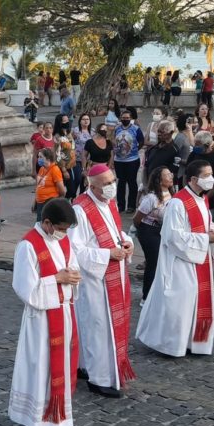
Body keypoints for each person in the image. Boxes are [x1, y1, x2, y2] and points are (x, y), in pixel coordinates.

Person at [10, 198, 82, 426]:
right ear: (47, 223)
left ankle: (53, 418)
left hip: (63, 312)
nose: (64, 234)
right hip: (41, 321)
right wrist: (58, 279)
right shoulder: (28, 246)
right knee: (42, 370)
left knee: (59, 369)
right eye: (61, 228)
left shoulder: (62, 240)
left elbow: (71, 266)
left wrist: (72, 276)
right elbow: (25, 289)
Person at [137, 160, 214, 355]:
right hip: (180, 263)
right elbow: (172, 237)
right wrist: (205, 238)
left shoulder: (202, 199)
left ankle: (193, 342)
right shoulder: (178, 202)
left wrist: (213, 234)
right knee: (180, 305)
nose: (211, 179)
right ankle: (170, 345)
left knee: (195, 302)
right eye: (207, 175)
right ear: (193, 179)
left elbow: (205, 223)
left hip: (199, 259)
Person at [70, 164, 136, 398]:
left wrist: (126, 243)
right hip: (94, 280)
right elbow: (75, 249)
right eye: (106, 184)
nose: (112, 186)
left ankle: (86, 366)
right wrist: (108, 254)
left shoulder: (110, 203)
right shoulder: (80, 209)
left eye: (113, 181)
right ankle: (99, 379)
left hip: (114, 274)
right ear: (92, 185)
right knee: (97, 326)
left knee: (104, 326)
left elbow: (116, 232)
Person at [132, 166, 173, 301]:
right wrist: (142, 232)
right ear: (160, 180)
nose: (171, 176)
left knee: (162, 262)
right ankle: (147, 297)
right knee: (153, 263)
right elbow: (137, 219)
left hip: (162, 231)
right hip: (148, 231)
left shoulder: (170, 193)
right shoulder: (151, 198)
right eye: (167, 175)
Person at [112, 109, 144, 213]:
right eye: (123, 118)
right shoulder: (117, 128)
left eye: (127, 118)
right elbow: (113, 140)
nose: (125, 119)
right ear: (120, 118)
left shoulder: (136, 129)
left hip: (132, 160)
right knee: (121, 182)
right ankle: (120, 205)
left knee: (132, 182)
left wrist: (135, 150)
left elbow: (141, 141)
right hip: (119, 161)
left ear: (130, 119)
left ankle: (131, 206)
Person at [34, 147, 66, 221]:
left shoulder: (55, 170)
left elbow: (62, 191)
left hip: (49, 202)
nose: (39, 159)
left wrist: (56, 201)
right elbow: (38, 186)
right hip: (40, 202)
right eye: (38, 157)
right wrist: (35, 202)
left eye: (41, 157)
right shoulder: (42, 169)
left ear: (48, 159)